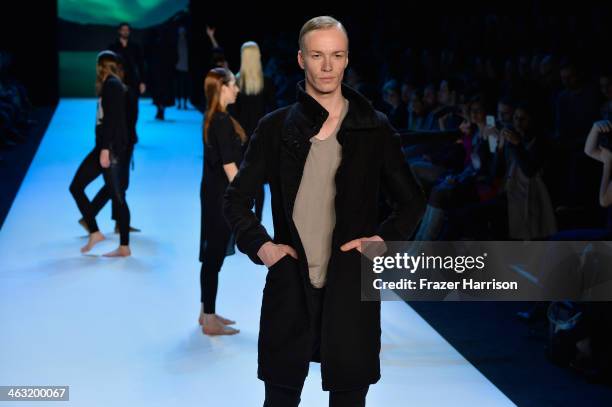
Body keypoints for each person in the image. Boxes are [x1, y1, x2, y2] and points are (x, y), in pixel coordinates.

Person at [223, 16, 425, 406]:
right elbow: (234, 199)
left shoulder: (373, 128)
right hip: (290, 285)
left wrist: (384, 240)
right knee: (280, 399)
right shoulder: (276, 127)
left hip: (350, 290)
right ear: (301, 60)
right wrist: (262, 247)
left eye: (336, 55)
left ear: (347, 59)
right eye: (318, 55)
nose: (327, 66)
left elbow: (412, 200)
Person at [69, 51, 132, 257]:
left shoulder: (111, 85)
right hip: (105, 147)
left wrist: (105, 149)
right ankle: (95, 231)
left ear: (101, 66)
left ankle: (124, 246)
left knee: (118, 197)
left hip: (109, 149)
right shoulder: (111, 84)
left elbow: (112, 121)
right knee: (77, 187)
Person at [198, 67, 245, 336]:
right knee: (214, 257)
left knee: (211, 257)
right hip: (221, 198)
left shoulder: (213, 118)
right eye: (233, 85)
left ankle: (206, 313)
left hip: (212, 194)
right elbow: (230, 167)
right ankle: (209, 317)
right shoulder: (221, 121)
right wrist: (243, 199)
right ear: (222, 88)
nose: (237, 89)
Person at [229, 41, 277, 221]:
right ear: (258, 57)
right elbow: (273, 112)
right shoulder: (268, 83)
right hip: (261, 138)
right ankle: (257, 220)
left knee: (241, 182)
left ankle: (242, 221)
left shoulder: (235, 82)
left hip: (240, 140)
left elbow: (231, 115)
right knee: (258, 184)